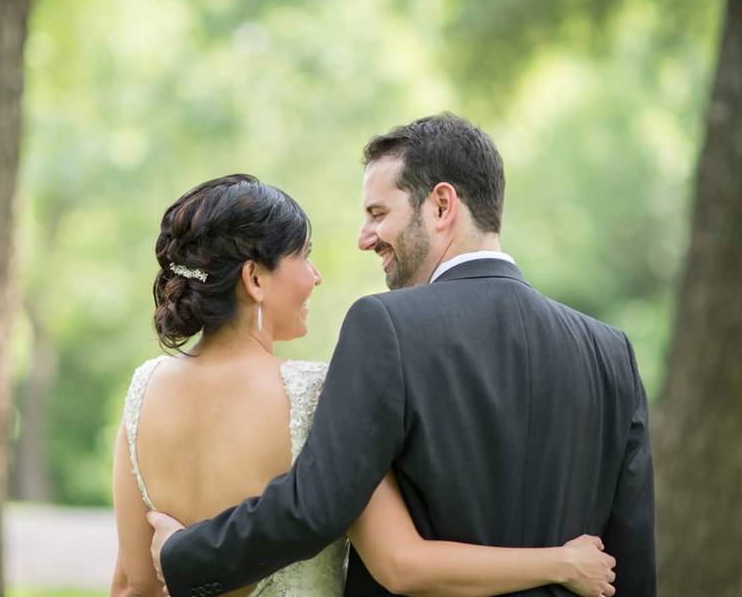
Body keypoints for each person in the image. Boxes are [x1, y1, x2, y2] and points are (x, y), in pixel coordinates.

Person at [147, 114, 656, 596]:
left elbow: (313, 507)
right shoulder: (610, 352)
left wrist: (184, 556)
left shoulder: (386, 326)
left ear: (441, 206)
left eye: (377, 214)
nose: (366, 238)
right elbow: (630, 557)